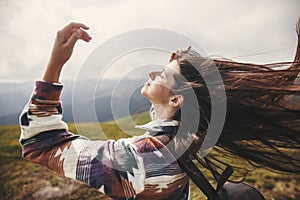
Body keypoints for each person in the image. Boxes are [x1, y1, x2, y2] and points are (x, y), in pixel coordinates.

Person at [19, 21, 300, 200]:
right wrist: (176, 72)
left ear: (177, 101)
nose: (153, 72)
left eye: (162, 74)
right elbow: (171, 113)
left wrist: (55, 63)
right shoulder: (185, 138)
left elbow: (40, 144)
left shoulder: (142, 158)